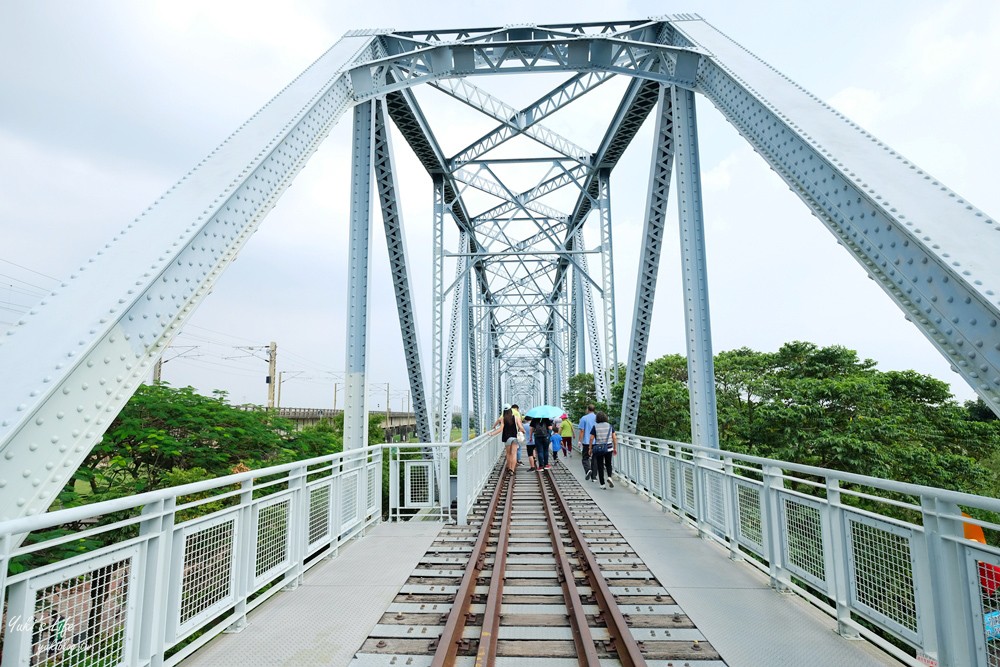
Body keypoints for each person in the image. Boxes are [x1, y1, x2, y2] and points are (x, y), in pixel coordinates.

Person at [589, 411, 618, 489]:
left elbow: (591, 438)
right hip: (609, 448)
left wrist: (590, 448)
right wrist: (615, 448)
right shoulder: (610, 426)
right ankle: (609, 477)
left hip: (599, 448)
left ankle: (602, 484)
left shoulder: (595, 426)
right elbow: (614, 437)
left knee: (600, 465)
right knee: (608, 464)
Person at [492, 405, 524, 474]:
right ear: (510, 410)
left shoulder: (503, 419)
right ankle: (512, 469)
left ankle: (509, 467)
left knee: (508, 454)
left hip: (507, 438)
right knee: (514, 454)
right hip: (514, 438)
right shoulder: (516, 418)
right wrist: (523, 431)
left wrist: (492, 433)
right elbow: (521, 427)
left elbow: (500, 429)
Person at [577, 404, 597, 480]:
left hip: (586, 442)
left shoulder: (584, 418)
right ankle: (594, 477)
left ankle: (588, 470)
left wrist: (579, 441)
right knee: (595, 459)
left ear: (587, 409)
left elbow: (582, 430)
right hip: (595, 441)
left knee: (585, 458)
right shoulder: (597, 418)